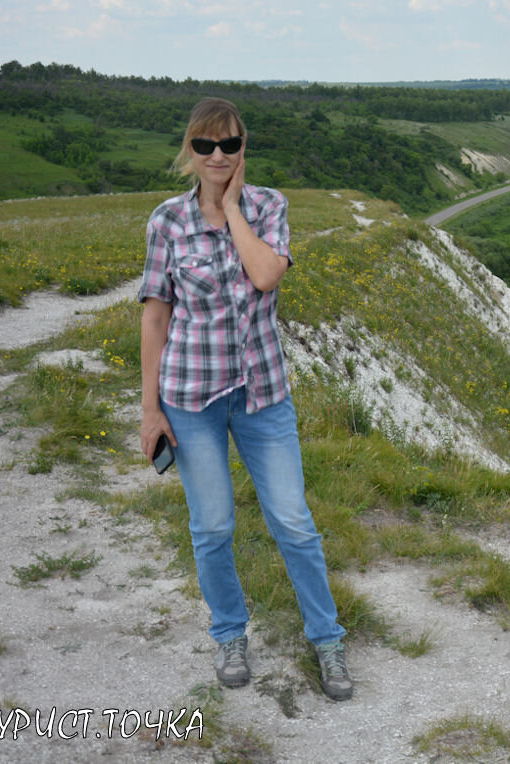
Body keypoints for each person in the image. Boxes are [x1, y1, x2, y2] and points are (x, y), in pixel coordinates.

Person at [138, 97, 352, 701]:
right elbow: (156, 318)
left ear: (242, 148)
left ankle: (327, 639)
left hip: (263, 394)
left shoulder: (267, 206)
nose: (216, 156)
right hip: (190, 397)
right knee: (212, 526)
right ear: (189, 149)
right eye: (204, 145)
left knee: (293, 521)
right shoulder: (166, 222)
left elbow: (264, 276)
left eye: (228, 145)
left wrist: (231, 208)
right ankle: (230, 633)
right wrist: (150, 409)